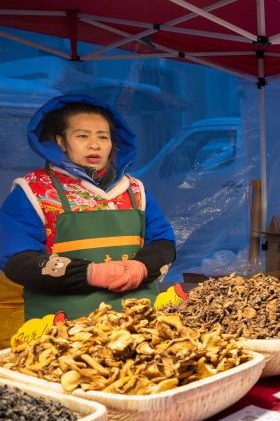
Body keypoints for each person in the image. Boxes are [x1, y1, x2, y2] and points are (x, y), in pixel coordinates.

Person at [0, 94, 176, 320]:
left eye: (103, 137)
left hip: (140, 322)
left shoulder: (134, 189)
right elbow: (17, 261)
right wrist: (90, 273)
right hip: (62, 328)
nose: (95, 145)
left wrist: (141, 267)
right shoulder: (33, 191)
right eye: (82, 136)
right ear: (60, 142)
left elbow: (164, 243)